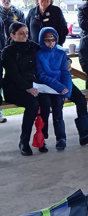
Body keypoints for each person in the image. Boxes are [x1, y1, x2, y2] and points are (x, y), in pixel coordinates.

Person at [2, 22, 50, 156]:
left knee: (46, 101)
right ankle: (24, 141)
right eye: (21, 33)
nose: (25, 36)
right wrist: (27, 87)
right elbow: (13, 74)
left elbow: (48, 51)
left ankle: (41, 137)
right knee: (33, 104)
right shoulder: (7, 52)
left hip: (32, 85)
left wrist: (66, 61)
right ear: (12, 35)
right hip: (14, 88)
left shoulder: (32, 46)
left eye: (27, 33)